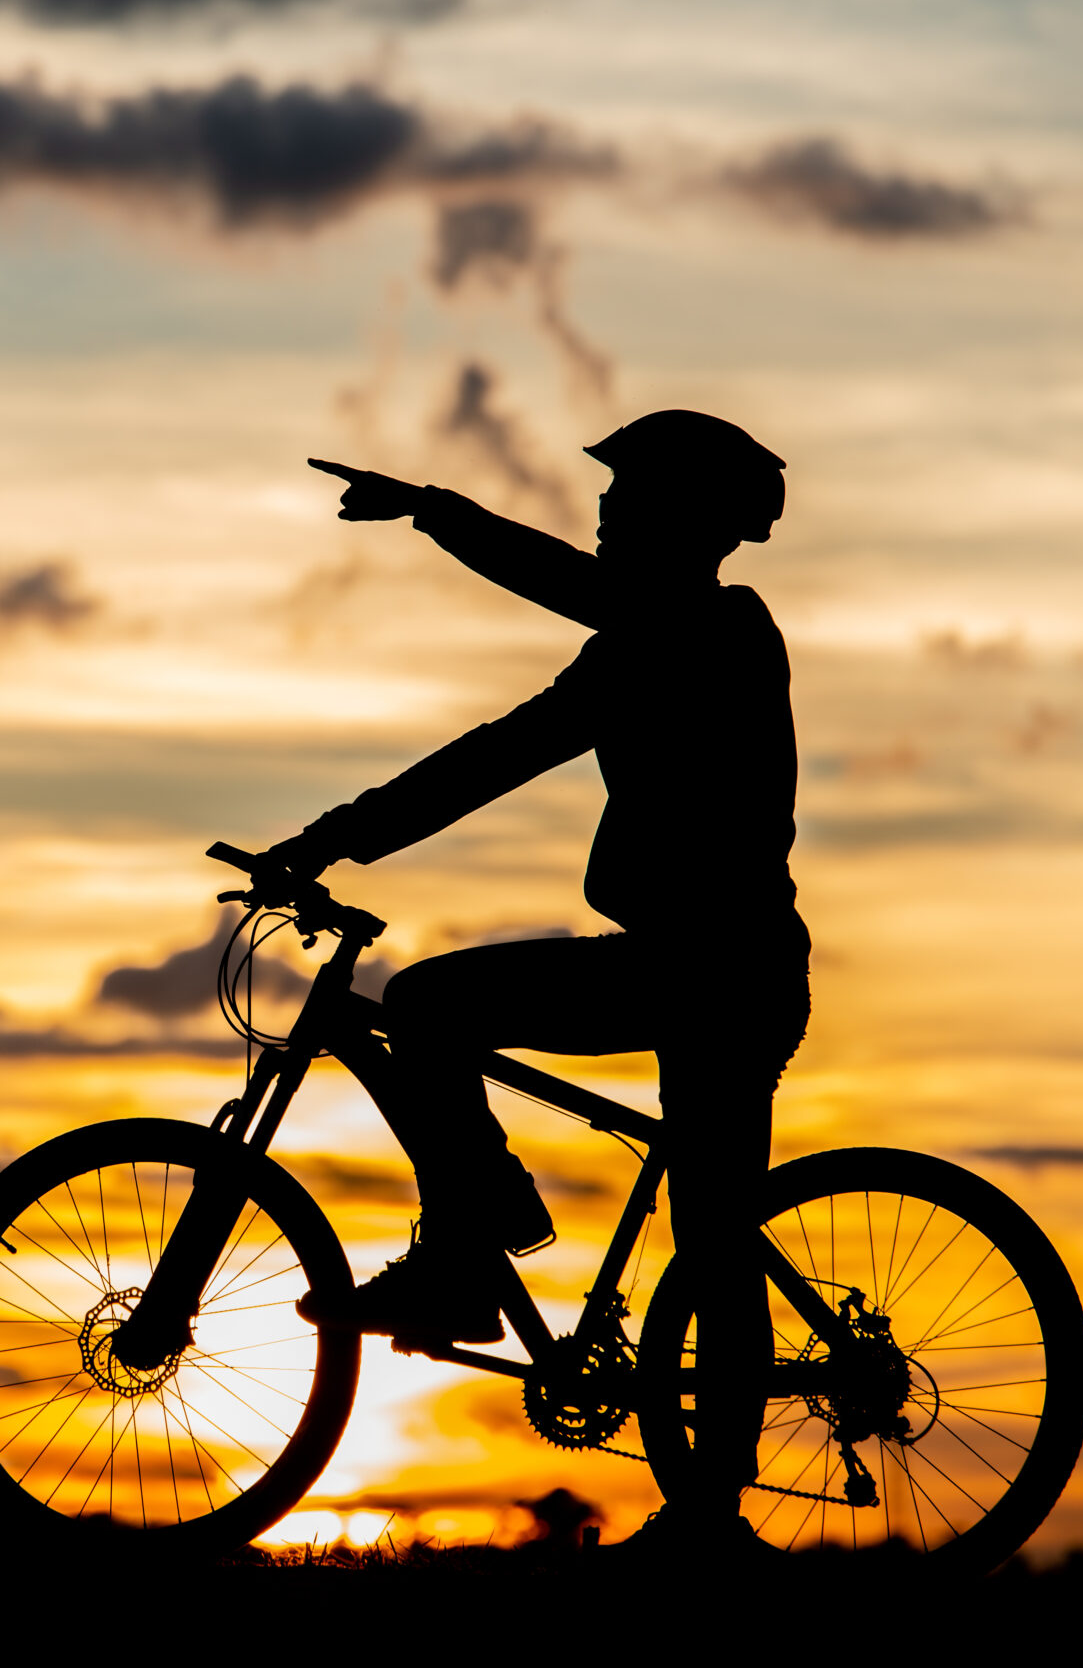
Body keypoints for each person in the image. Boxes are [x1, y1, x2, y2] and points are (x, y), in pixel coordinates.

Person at [267, 409, 811, 1527]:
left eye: (628, 493)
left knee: (708, 1234)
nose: (603, 508)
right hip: (686, 963)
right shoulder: (633, 646)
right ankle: (476, 1239)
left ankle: (475, 1255)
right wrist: (329, 837)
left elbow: (572, 600)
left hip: (723, 971)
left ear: (682, 519)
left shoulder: (715, 629)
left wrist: (436, 512)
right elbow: (491, 756)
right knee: (705, 1227)